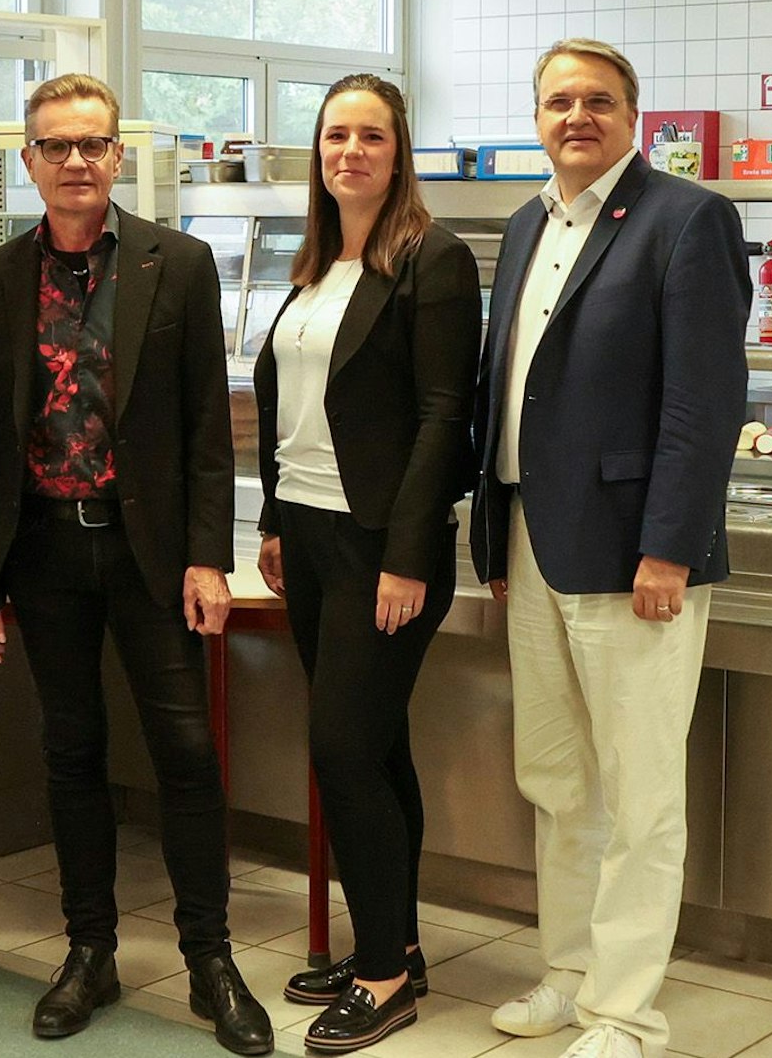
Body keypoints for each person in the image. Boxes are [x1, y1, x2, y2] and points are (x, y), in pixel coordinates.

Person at [0, 73, 272, 1057]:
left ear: (117, 155)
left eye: (92, 144)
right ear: (29, 161)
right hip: (43, 551)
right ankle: (88, 952)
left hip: (149, 559)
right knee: (70, 753)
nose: (76, 161)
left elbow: (204, 432)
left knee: (184, 753)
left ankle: (210, 959)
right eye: (56, 146)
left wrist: (206, 558)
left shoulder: (173, 264)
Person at [467, 39, 749, 1058]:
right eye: (555, 101)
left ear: (634, 115)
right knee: (556, 777)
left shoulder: (684, 220)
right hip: (536, 544)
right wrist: (491, 533)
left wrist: (668, 547)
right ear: (534, 118)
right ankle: (569, 971)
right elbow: (505, 395)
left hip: (634, 555)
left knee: (636, 792)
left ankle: (624, 1011)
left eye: (595, 101)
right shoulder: (523, 223)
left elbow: (701, 401)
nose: (573, 116)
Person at [250, 74, 480, 1054]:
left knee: (340, 749)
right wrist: (269, 517)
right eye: (335, 134)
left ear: (398, 149)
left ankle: (383, 979)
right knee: (373, 747)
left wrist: (406, 552)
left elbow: (442, 415)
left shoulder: (433, 258)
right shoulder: (313, 261)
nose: (350, 150)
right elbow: (288, 409)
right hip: (304, 534)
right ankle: (398, 943)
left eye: (370, 135)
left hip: (380, 545)